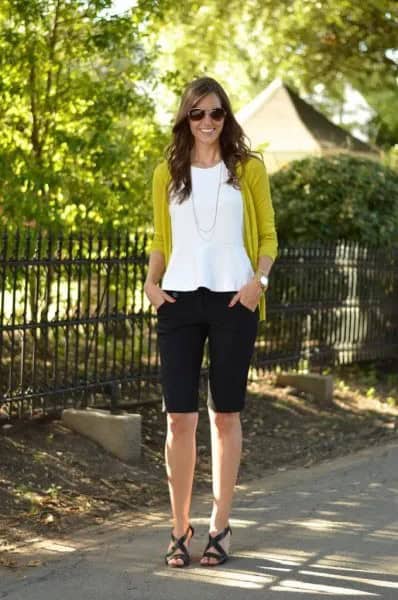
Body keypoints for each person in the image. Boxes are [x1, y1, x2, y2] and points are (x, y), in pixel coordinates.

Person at [144, 76, 277, 568]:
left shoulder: (248, 170)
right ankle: (179, 526)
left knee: (225, 416)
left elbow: (268, 236)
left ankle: (220, 525)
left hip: (232, 303)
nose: (206, 122)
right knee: (179, 418)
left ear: (227, 117)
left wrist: (255, 285)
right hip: (178, 302)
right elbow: (161, 236)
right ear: (186, 118)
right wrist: (151, 285)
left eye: (215, 113)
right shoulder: (168, 171)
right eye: (197, 114)